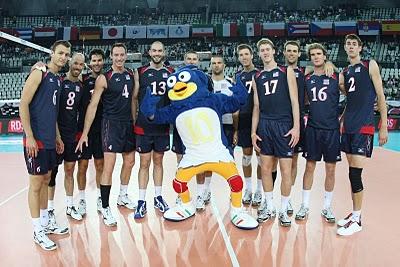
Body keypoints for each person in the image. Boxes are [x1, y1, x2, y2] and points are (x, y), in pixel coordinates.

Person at [76, 43, 136, 227]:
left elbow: (133, 100)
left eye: (122, 55)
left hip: (127, 125)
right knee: (108, 167)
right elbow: (92, 106)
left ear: (126, 56)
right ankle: (105, 206)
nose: (119, 58)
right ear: (112, 56)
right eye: (116, 55)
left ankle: (123, 195)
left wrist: (134, 123)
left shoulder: (131, 75)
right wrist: (85, 133)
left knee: (130, 162)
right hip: (111, 124)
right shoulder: (104, 78)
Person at [20, 40, 71, 250]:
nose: (63, 57)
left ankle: (44, 223)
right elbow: (23, 103)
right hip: (36, 140)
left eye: (66, 54)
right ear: (52, 53)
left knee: (47, 179)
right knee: (35, 185)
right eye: (60, 53)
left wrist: (58, 137)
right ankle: (36, 230)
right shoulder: (39, 72)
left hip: (50, 139)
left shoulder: (58, 80)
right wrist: (30, 136)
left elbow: (53, 113)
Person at [337, 34, 388, 236]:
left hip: (363, 126)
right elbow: (350, 98)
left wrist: (383, 125)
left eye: (354, 44)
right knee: (351, 172)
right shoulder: (346, 71)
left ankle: (358, 220)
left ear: (360, 47)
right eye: (347, 44)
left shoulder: (370, 65)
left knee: (355, 174)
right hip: (348, 126)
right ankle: (354, 213)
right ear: (345, 47)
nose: (350, 47)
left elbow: (380, 95)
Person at [251, 38, 300, 227]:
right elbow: (256, 106)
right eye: (261, 50)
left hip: (284, 125)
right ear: (260, 53)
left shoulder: (285, 71)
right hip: (265, 125)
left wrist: (296, 127)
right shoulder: (258, 76)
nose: (265, 52)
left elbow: (295, 101)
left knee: (286, 170)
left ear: (273, 51)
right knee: (265, 169)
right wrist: (254, 132)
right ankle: (269, 206)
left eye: (267, 49)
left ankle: (284, 210)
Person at [294, 43, 341, 223]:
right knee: (310, 167)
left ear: (325, 55)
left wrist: (333, 65)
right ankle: (305, 205)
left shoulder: (337, 76)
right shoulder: (307, 78)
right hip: (313, 128)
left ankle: (327, 207)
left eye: (319, 54)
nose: (316, 57)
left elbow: (350, 95)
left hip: (331, 130)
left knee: (330, 169)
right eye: (312, 54)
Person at [133, 41, 174, 219]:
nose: (157, 53)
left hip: (162, 125)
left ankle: (158, 197)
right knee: (144, 163)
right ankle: (141, 201)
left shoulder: (171, 72)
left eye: (160, 50)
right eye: (154, 50)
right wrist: (135, 119)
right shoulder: (140, 72)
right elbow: (134, 98)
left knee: (159, 162)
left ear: (164, 53)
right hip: (144, 126)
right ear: (149, 52)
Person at [173, 51, 212, 210]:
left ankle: (200, 195)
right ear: (184, 60)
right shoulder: (176, 78)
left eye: (194, 59)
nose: (191, 61)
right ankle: (180, 194)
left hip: (198, 126)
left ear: (198, 61)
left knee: (200, 161)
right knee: (181, 161)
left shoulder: (205, 78)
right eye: (188, 59)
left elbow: (210, 100)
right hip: (182, 125)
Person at [49, 53, 85, 222]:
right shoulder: (60, 82)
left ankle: (70, 206)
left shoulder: (82, 86)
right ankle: (49, 209)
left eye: (81, 65)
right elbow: (53, 111)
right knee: (52, 173)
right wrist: (57, 137)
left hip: (72, 136)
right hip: (57, 136)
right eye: (76, 63)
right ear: (70, 63)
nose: (78, 67)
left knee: (70, 170)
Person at [202, 55, 239, 204]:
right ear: (210, 65)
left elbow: (236, 109)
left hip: (227, 125)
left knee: (230, 160)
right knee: (208, 159)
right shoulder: (204, 84)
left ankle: (234, 191)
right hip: (210, 126)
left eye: (219, 63)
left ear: (224, 65)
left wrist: (236, 130)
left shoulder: (230, 83)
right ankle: (205, 190)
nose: (216, 65)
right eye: (213, 63)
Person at [77, 49, 106, 214]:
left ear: (103, 61)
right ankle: (81, 199)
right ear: (89, 63)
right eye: (94, 60)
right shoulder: (83, 80)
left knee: (100, 165)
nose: (97, 63)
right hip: (84, 131)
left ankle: (101, 198)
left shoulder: (107, 79)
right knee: (82, 166)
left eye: (99, 60)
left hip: (101, 130)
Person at [235, 44, 262, 207]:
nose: (244, 57)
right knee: (246, 158)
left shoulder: (259, 74)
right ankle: (249, 189)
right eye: (241, 55)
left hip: (258, 120)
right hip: (244, 120)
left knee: (260, 158)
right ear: (238, 57)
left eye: (246, 54)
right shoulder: (237, 76)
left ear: (252, 55)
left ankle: (259, 191)